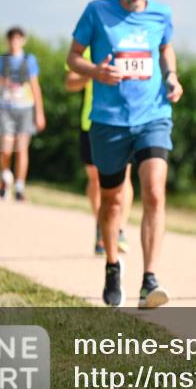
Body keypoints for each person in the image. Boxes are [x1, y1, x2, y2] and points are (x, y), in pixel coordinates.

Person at [67, 0, 183, 308]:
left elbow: (165, 49)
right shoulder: (97, 12)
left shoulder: (161, 13)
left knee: (154, 191)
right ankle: (113, 265)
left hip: (153, 115)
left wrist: (173, 77)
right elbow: (72, 57)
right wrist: (95, 72)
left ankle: (150, 279)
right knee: (113, 200)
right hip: (109, 120)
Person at [64, 45, 133, 255]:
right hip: (92, 122)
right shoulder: (86, 48)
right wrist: (93, 73)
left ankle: (118, 228)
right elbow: (69, 84)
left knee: (125, 178)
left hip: (123, 120)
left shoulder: (128, 44)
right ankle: (102, 226)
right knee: (95, 179)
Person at [0, 26, 46, 201]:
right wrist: (3, 83)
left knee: (22, 149)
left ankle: (20, 186)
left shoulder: (29, 60)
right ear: (8, 41)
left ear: (23, 40)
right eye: (12, 39)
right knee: (6, 148)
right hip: (6, 108)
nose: (15, 42)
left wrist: (39, 112)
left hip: (25, 108)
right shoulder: (1, 60)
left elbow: (35, 87)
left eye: (18, 38)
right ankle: (5, 177)